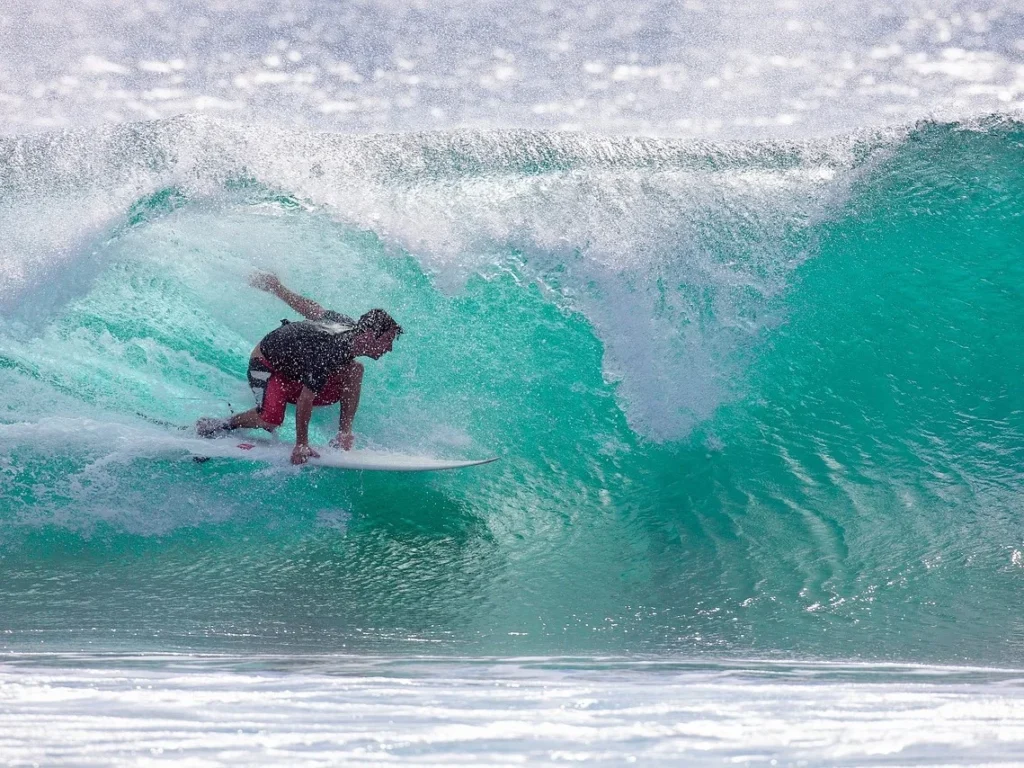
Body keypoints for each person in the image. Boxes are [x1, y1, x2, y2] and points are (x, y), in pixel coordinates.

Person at [196, 272, 402, 465]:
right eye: (387, 341)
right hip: (267, 366)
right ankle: (223, 424)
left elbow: (313, 309)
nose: (389, 348)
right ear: (368, 335)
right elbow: (306, 399)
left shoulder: (347, 324)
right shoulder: (331, 349)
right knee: (270, 420)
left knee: (355, 370)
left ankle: (344, 433)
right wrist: (301, 444)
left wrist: (277, 288)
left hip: (295, 370)